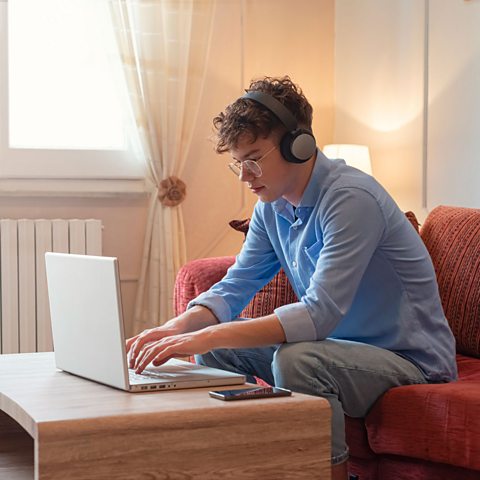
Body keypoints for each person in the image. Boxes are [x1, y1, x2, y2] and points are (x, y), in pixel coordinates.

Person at [126, 76, 457, 480]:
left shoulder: (352, 199)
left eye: (253, 158)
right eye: (238, 163)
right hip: (337, 351)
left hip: (408, 360)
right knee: (216, 354)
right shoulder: (272, 206)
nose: (245, 177)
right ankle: (257, 465)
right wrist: (171, 331)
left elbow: (319, 315)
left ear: (297, 145)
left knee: (297, 357)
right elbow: (233, 289)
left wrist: (208, 334)